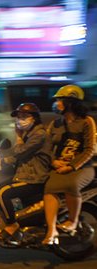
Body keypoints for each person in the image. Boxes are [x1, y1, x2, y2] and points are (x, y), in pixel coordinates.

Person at [0, 103, 52, 246]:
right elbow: (17, 156)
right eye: (18, 117)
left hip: (34, 178)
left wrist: (18, 138)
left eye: (24, 116)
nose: (20, 120)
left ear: (34, 118)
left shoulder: (39, 134)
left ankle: (12, 226)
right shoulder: (29, 134)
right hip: (24, 175)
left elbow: (20, 152)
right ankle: (21, 219)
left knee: (2, 194)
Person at [42, 85, 96, 246]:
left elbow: (90, 149)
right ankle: (52, 230)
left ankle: (72, 221)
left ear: (70, 102)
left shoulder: (87, 122)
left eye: (60, 100)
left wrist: (72, 166)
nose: (56, 103)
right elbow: (46, 147)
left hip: (83, 168)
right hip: (58, 166)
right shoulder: (55, 123)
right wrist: (53, 161)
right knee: (48, 188)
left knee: (71, 184)